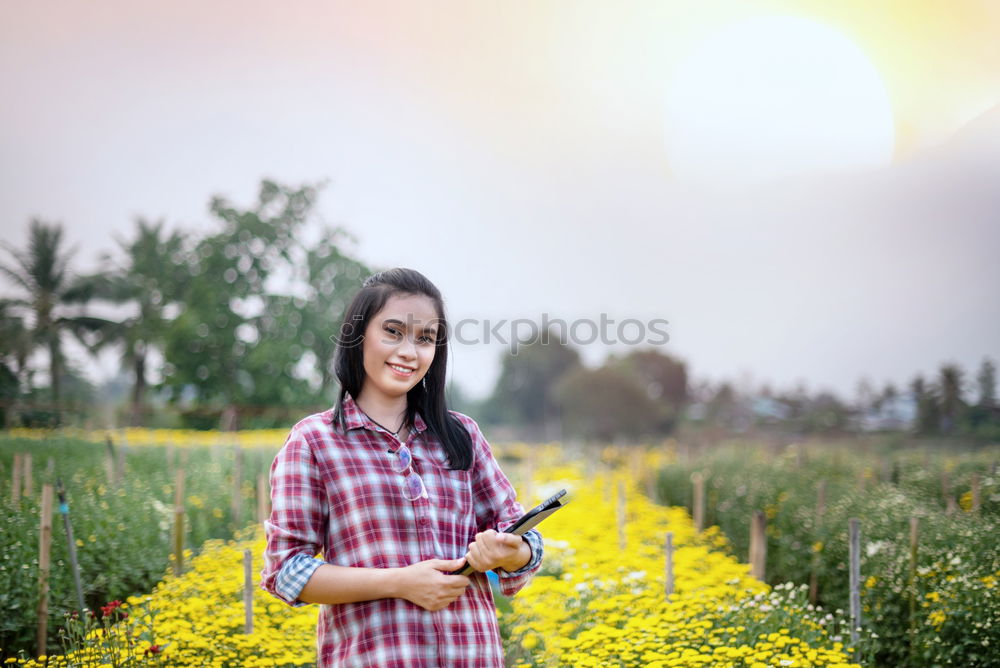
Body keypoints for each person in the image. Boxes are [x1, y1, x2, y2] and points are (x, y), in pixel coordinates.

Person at [261, 267, 544, 667]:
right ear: (358, 336)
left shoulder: (463, 435)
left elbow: (526, 544)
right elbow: (286, 571)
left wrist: (508, 551)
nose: (410, 351)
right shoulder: (314, 441)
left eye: (425, 338)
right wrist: (399, 582)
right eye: (393, 331)